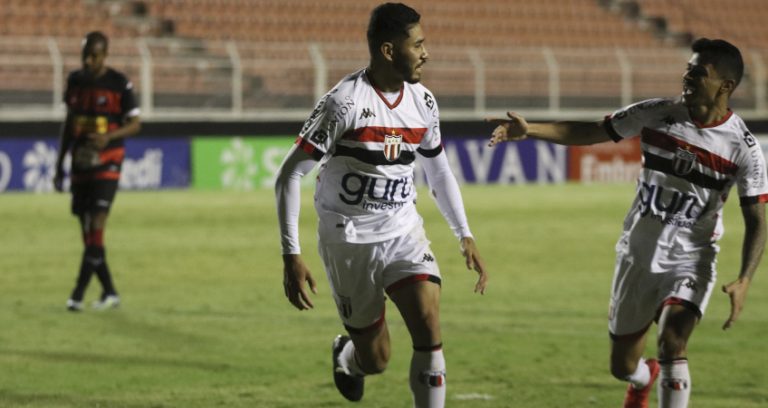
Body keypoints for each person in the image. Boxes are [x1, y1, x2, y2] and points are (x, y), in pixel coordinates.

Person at [488, 38, 766, 408]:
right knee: (622, 366)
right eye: (687, 68)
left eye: (698, 72)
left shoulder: (743, 148)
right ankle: (641, 377)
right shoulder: (656, 113)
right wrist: (531, 130)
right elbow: (592, 132)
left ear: (726, 86)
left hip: (692, 258)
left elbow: (757, 220)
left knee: (673, 343)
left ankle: (661, 372)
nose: (686, 76)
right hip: (637, 253)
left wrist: (745, 279)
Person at [275, 3, 488, 406]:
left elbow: (439, 172)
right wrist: (291, 254)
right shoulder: (345, 103)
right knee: (377, 359)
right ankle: (348, 357)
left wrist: (465, 234)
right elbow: (289, 174)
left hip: (403, 231)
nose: (426, 53)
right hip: (349, 240)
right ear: (389, 50)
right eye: (418, 44)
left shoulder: (423, 102)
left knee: (428, 322)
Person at [53, 31, 141, 312]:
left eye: (95, 55)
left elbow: (136, 123)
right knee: (87, 230)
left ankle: (77, 294)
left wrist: (110, 137)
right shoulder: (75, 82)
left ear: (105, 55)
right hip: (80, 162)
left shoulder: (119, 84)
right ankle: (110, 293)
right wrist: (59, 164)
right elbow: (69, 123)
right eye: (85, 55)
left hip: (108, 161)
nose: (89, 60)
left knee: (98, 223)